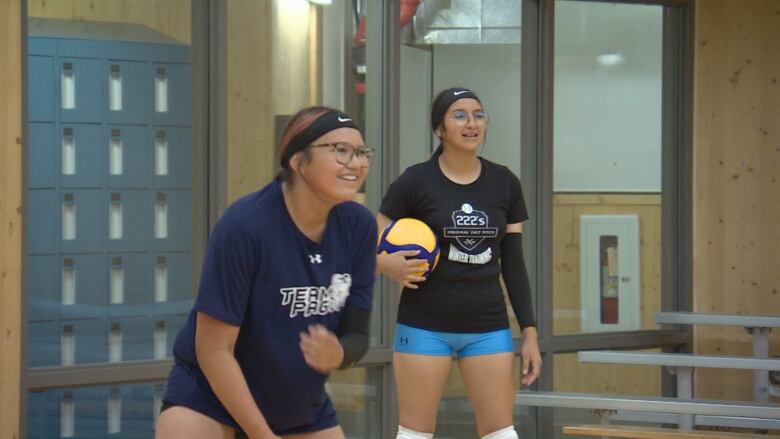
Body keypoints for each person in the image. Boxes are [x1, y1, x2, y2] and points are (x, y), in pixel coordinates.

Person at [156, 106, 378, 439]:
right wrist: (261, 434)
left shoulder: (358, 225)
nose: (356, 163)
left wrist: (339, 352)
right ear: (296, 160)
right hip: (210, 400)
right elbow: (213, 351)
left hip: (299, 407)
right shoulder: (246, 225)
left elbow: (357, 335)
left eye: (361, 152)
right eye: (340, 151)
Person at [377, 87, 542, 439]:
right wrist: (387, 265)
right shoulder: (415, 181)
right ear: (439, 129)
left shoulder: (505, 183)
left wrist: (529, 331)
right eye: (460, 115)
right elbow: (373, 239)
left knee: (500, 432)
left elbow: (513, 263)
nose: (472, 123)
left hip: (487, 326)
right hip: (424, 325)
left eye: (479, 115)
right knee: (415, 434)